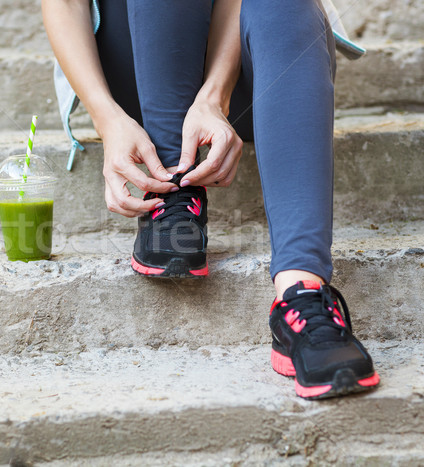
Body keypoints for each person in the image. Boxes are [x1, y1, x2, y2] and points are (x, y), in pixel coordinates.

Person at [41, 0, 380, 399]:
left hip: (257, 72)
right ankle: (172, 185)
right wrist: (106, 119)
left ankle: (301, 295)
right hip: (137, 67)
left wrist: (214, 97)